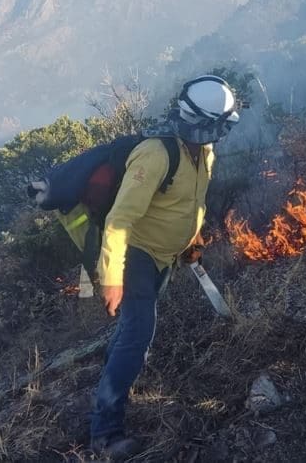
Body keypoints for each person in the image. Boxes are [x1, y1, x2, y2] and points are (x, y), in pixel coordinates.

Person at [90, 75, 239, 459]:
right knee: (138, 334)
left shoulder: (203, 152)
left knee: (130, 332)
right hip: (136, 254)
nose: (219, 133)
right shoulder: (155, 154)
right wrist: (110, 278)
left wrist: (191, 240)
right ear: (202, 121)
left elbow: (192, 202)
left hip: (164, 256)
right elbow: (120, 220)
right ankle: (105, 434)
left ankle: (111, 380)